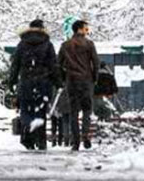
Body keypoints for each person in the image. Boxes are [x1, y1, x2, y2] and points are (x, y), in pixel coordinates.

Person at [6, 19, 59, 151]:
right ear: (42, 29)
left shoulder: (22, 44)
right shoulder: (48, 44)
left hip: (26, 83)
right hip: (43, 83)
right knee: (40, 112)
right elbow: (53, 66)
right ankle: (41, 142)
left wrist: (11, 82)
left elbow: (15, 64)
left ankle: (27, 139)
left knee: (26, 110)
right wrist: (58, 82)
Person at [57, 19, 99, 150]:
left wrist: (64, 79)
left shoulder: (65, 45)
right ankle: (85, 135)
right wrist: (94, 78)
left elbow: (58, 64)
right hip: (86, 81)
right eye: (86, 29)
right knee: (87, 110)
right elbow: (96, 63)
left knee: (73, 112)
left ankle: (76, 142)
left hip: (72, 81)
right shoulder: (89, 44)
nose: (87, 31)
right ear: (79, 29)